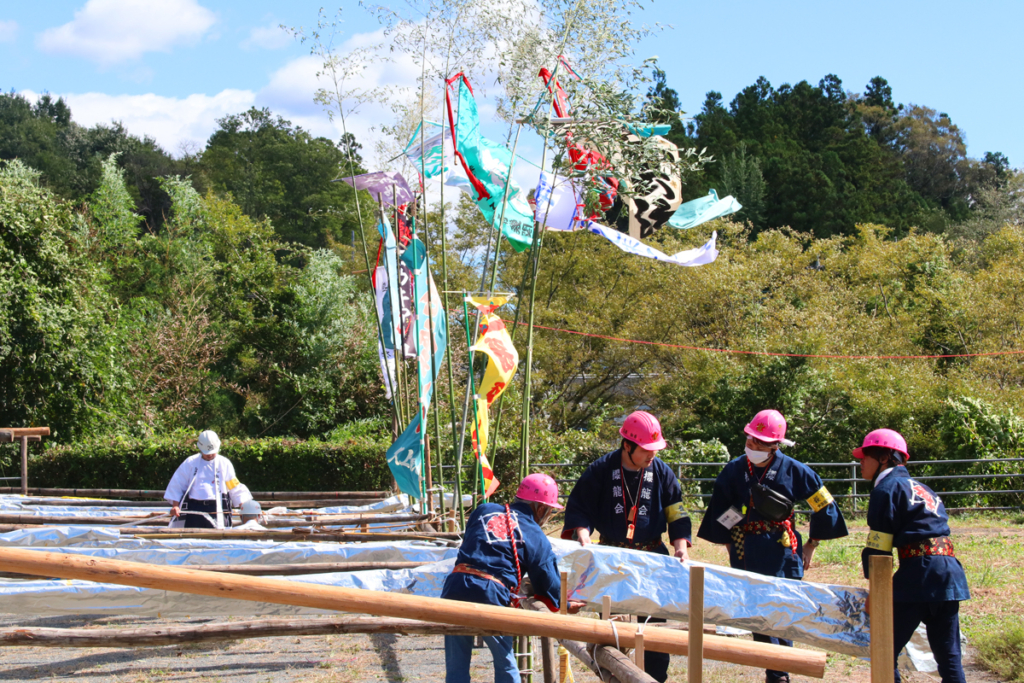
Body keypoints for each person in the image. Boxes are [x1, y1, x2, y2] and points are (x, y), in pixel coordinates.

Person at [697, 409, 848, 683]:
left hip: (784, 550)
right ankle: (774, 669)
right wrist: (730, 545)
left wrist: (811, 545)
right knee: (757, 614)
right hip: (747, 550)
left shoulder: (797, 471)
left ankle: (779, 673)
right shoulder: (733, 470)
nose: (752, 446)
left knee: (784, 611)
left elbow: (824, 505)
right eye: (750, 439)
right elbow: (721, 510)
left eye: (760, 442)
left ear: (775, 445)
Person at [560, 410, 691, 683]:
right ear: (627, 445)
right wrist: (583, 535)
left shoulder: (662, 472)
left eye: (655, 449)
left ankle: (655, 678)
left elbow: (677, 512)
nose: (651, 455)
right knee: (611, 627)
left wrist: (680, 546)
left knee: (655, 625)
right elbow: (579, 508)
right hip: (612, 556)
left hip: (652, 556)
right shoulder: (601, 470)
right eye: (645, 450)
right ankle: (612, 675)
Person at [854, 428, 970, 683]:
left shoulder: (885, 489)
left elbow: (879, 547)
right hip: (948, 572)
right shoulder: (922, 487)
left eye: (865, 456)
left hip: (919, 575)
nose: (860, 461)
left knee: (883, 650)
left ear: (884, 458)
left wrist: (876, 589)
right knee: (949, 657)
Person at [442, 473, 580, 683]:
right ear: (541, 508)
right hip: (490, 593)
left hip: (456, 585)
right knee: (505, 662)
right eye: (550, 511)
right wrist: (565, 603)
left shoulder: (484, 510)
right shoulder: (534, 534)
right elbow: (548, 582)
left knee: (456, 666)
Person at [164, 430, 252, 529]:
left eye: (212, 452)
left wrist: (244, 505)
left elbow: (233, 485)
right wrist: (175, 506)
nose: (210, 455)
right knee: (193, 539)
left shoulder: (224, 463)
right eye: (207, 453)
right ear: (200, 449)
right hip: (194, 508)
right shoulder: (190, 462)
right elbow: (177, 484)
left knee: (218, 539)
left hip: (217, 507)